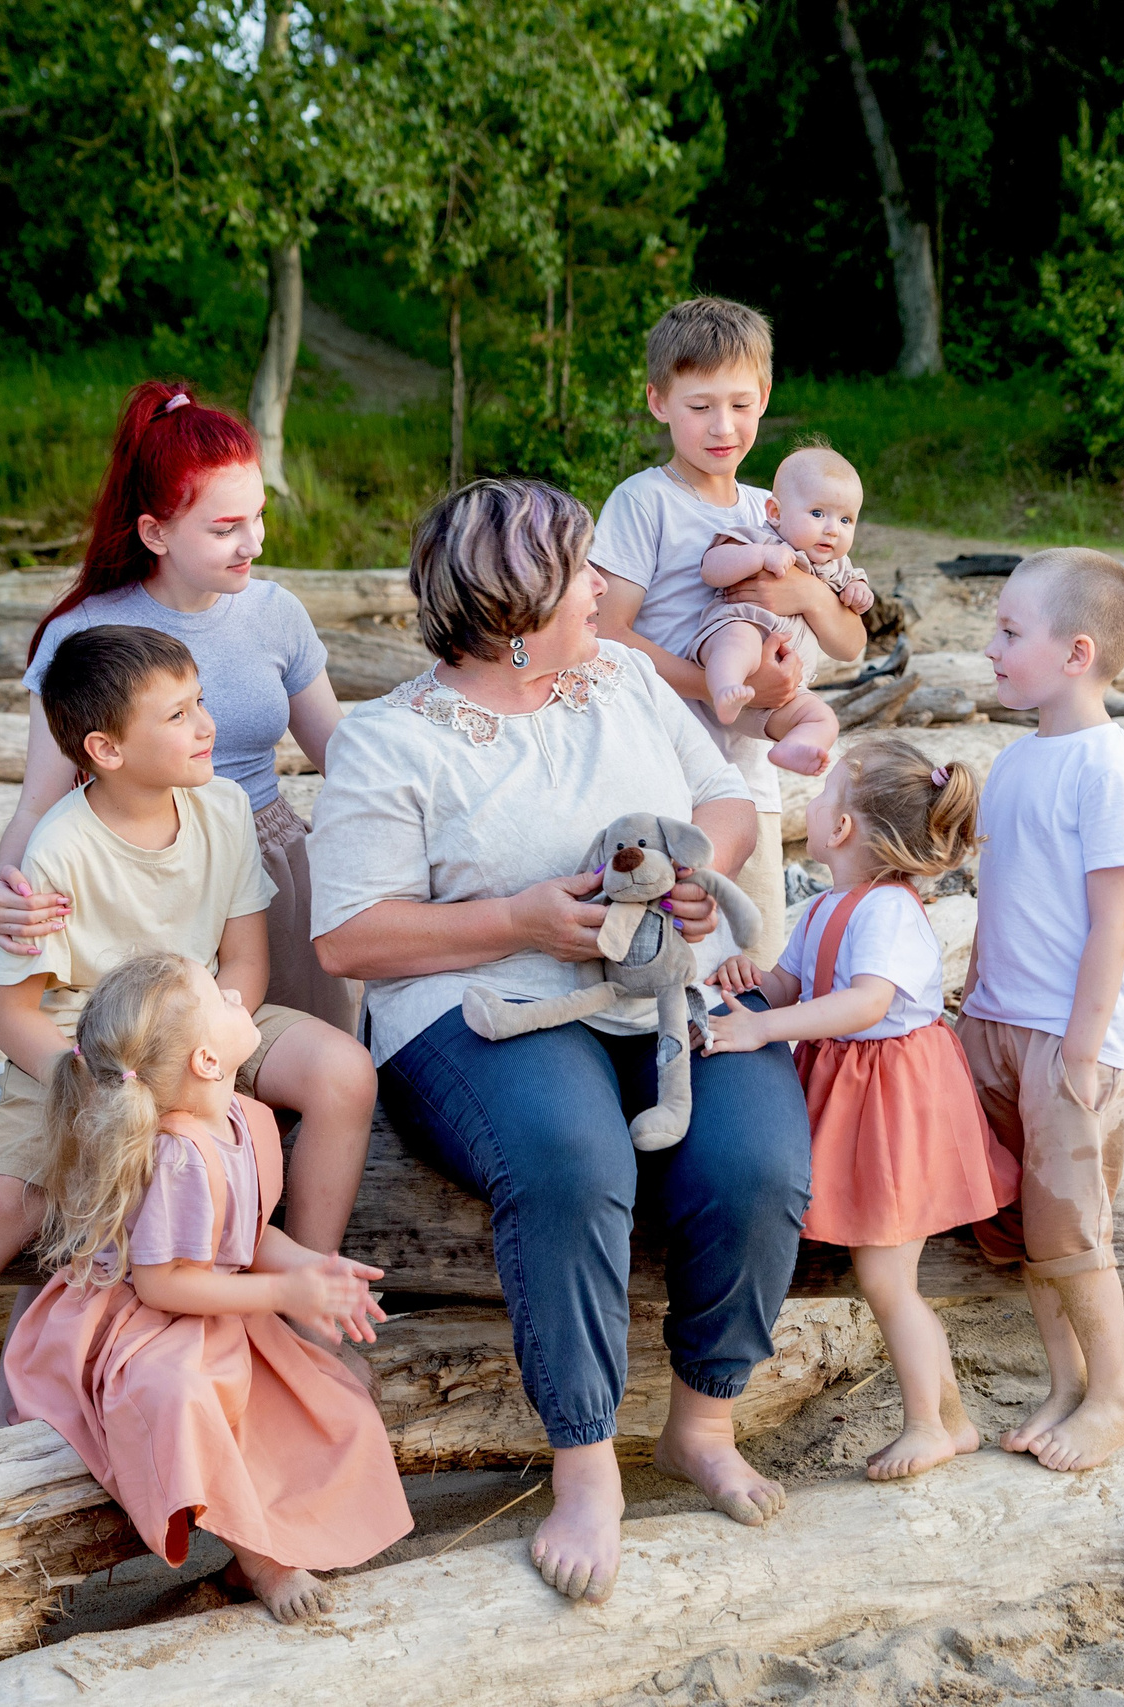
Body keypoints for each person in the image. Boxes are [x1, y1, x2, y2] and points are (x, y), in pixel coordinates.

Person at [310, 478, 812, 1607]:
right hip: (478, 1006)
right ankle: (585, 1464)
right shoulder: (389, 741)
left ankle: (703, 1422)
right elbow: (348, 937)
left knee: (760, 1161)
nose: (601, 588)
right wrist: (518, 921)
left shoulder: (624, 677)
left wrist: (698, 871)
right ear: (513, 612)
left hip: (656, 988)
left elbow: (722, 800)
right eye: (579, 572)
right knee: (572, 1161)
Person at [0, 625, 376, 1456]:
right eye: (179, 714)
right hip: (82, 1044)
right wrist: (88, 1078)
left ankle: (307, 1301)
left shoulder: (224, 809)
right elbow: (12, 1014)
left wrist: (207, 1051)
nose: (207, 725)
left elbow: (244, 964)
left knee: (343, 1072)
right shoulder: (60, 847)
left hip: (203, 1014)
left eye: (200, 702)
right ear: (107, 749)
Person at [0, 952, 410, 1623]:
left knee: (332, 1401)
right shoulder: (179, 1153)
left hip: (218, 1307)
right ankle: (264, 1562)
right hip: (144, 1325)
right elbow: (161, 1284)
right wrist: (282, 1297)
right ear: (208, 1061)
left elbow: (243, 1234)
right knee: (184, 1396)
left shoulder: (244, 1118)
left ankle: (266, 1542)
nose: (234, 994)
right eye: (219, 999)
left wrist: (311, 1269)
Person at [0, 378, 359, 1037]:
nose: (254, 543)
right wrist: (8, 891)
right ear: (155, 532)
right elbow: (38, 802)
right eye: (225, 528)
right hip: (141, 878)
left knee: (304, 1057)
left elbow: (345, 757)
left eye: (258, 516)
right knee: (160, 1062)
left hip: (268, 862)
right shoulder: (83, 634)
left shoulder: (276, 614)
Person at [704, 733, 1017, 1481]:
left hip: (893, 1101)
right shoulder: (827, 905)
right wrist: (749, 982)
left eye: (824, 797)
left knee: (886, 1279)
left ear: (842, 827)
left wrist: (765, 1028)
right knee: (884, 1276)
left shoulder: (887, 910)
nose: (812, 807)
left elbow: (865, 1002)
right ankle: (952, 1419)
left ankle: (925, 1424)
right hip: (860, 1093)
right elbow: (793, 983)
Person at [955, 548, 1124, 1473]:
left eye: (1009, 631)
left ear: (1078, 653)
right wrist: (973, 1006)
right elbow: (1001, 898)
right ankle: (1066, 1383)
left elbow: (1114, 921)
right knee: (1031, 1221)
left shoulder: (1110, 770)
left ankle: (1115, 1395)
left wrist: (1081, 1048)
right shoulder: (1013, 762)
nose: (990, 646)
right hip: (997, 1022)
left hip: (1072, 1038)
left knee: (1073, 1224)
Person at [590, 297, 871, 960]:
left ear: (764, 398)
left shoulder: (780, 508)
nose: (723, 426)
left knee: (754, 951)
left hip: (749, 774)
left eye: (741, 404)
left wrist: (808, 592)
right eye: (700, 406)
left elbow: (852, 646)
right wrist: (724, 686)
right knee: (662, 953)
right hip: (659, 766)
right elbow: (606, 635)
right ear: (659, 402)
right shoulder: (643, 502)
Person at [692, 445, 876, 776]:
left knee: (823, 718)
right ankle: (724, 690)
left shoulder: (838, 568)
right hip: (741, 643)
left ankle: (793, 746)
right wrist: (760, 557)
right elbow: (711, 566)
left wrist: (858, 592)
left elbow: (851, 638)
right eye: (818, 514)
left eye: (845, 519)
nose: (832, 529)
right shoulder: (760, 538)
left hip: (783, 692)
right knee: (739, 640)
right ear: (775, 513)